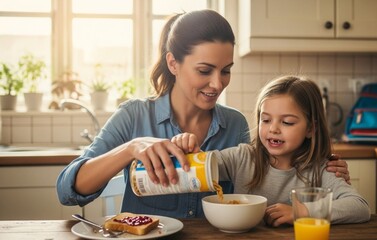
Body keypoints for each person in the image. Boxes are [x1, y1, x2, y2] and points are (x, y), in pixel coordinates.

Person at [56, 9, 350, 218]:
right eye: (204, 70)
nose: (217, 83)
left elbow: (269, 176)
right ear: (173, 63)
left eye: (226, 71)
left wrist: (319, 169)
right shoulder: (134, 116)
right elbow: (68, 191)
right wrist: (131, 149)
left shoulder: (235, 124)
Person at [172, 75, 370, 225]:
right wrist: (189, 150)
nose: (273, 128)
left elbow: (359, 207)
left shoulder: (320, 168)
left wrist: (300, 213)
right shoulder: (242, 157)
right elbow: (202, 166)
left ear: (311, 128)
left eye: (287, 122)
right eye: (265, 120)